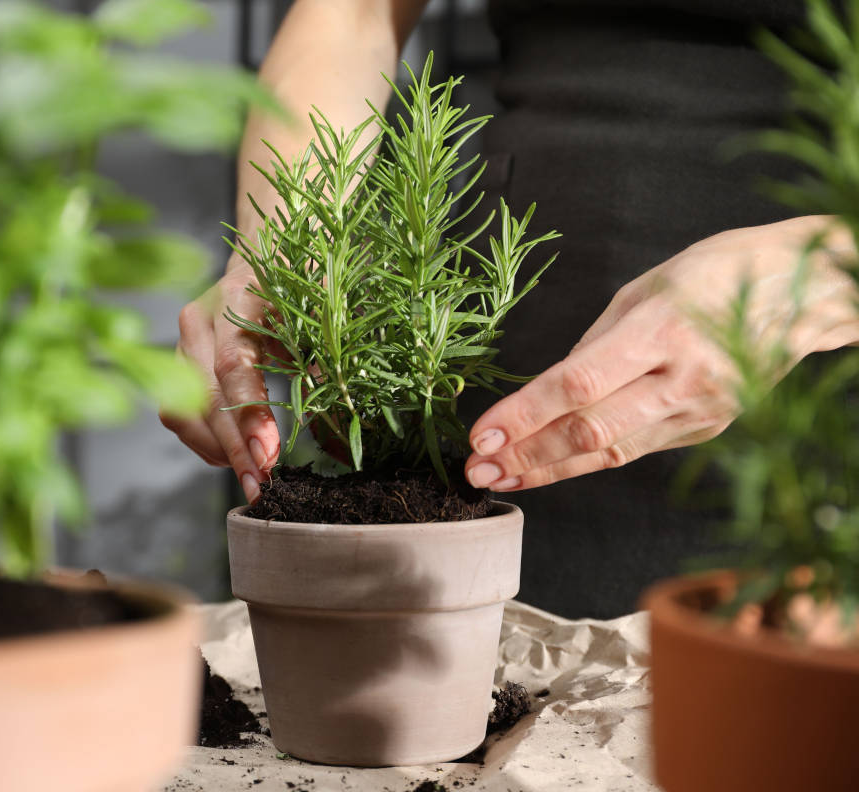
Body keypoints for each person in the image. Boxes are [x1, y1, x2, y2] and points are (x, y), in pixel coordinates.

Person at [160, 0, 859, 617]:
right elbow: (353, 13)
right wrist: (283, 244)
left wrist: (822, 270)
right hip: (510, 408)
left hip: (809, 445)